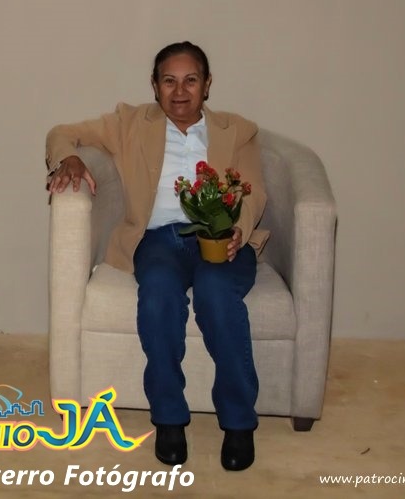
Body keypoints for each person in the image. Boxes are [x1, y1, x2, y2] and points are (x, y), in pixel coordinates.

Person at [46, 41, 267, 471]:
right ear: (154, 86)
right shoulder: (129, 123)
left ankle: (239, 422)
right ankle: (168, 418)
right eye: (169, 81)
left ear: (207, 85)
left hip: (220, 236)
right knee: (158, 294)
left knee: (216, 292)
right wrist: (68, 158)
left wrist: (236, 228)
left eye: (191, 80)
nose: (180, 91)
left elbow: (253, 191)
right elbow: (60, 132)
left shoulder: (237, 131)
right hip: (160, 240)